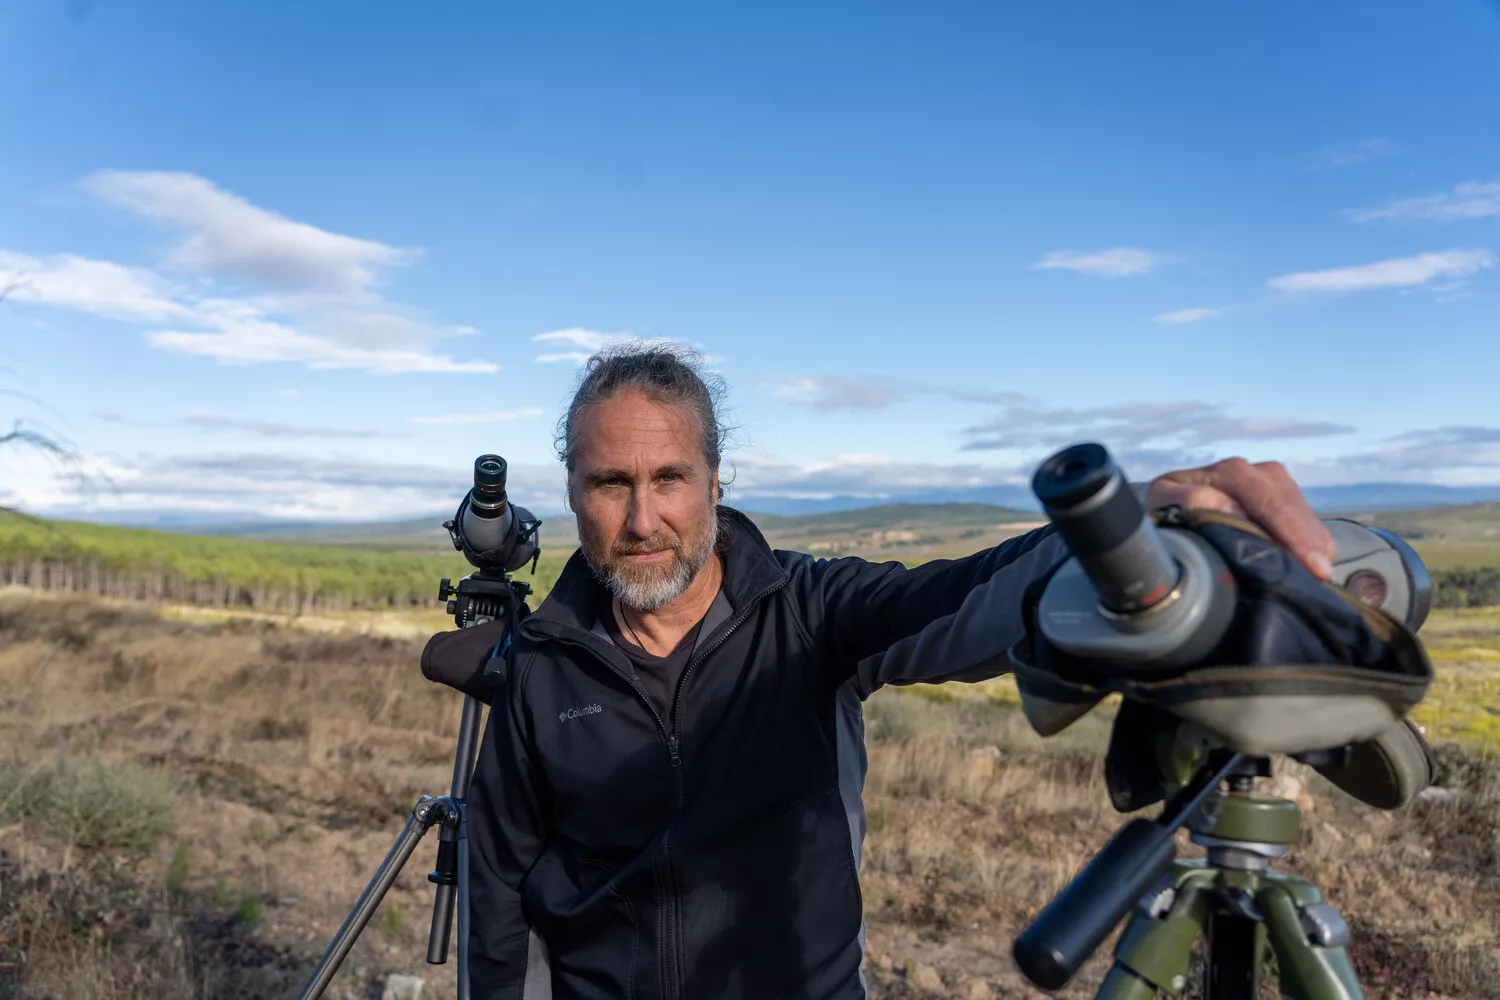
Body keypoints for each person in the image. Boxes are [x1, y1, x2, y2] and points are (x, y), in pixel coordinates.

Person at [430, 344, 1337, 1000]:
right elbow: (498, 893)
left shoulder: (815, 614)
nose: (641, 519)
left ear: (716, 480)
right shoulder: (541, 667)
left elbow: (972, 600)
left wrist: (1118, 539)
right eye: (609, 483)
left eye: (669, 477)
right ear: (572, 491)